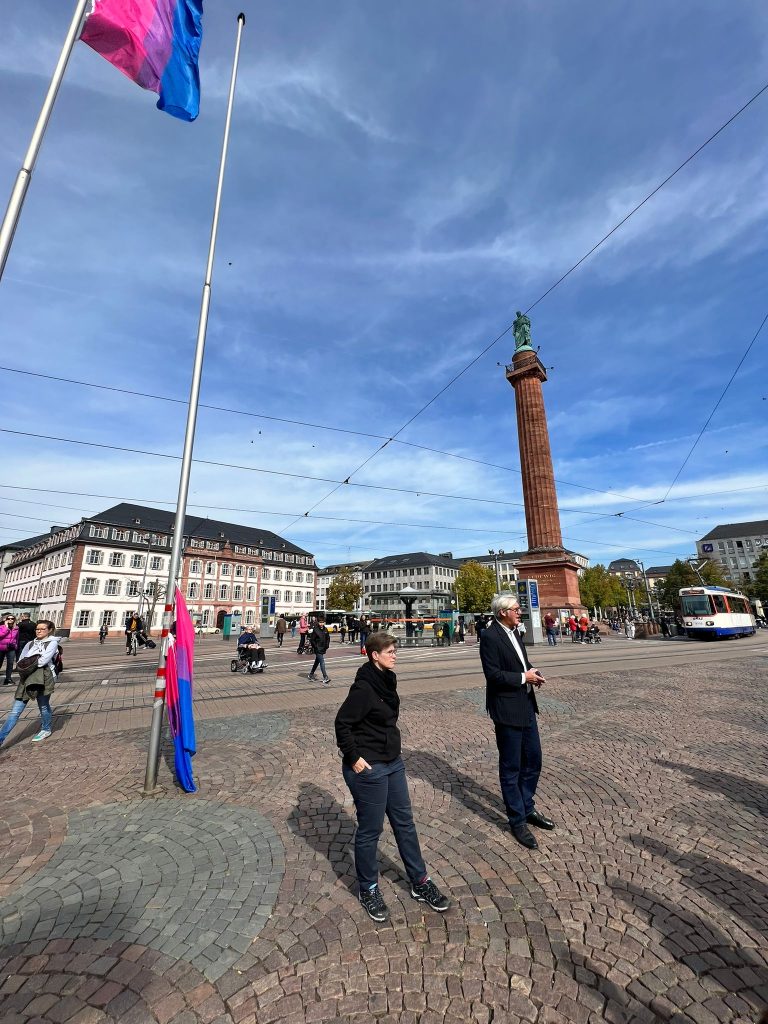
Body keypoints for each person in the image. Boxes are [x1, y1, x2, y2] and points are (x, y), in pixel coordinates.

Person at [334, 631, 450, 922]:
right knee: (370, 831)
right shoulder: (363, 688)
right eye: (389, 651)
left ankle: (419, 881)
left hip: (393, 762)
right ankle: (368, 888)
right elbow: (342, 723)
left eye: (394, 650)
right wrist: (354, 758)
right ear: (374, 655)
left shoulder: (387, 679)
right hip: (369, 767)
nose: (394, 654)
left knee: (405, 823)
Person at [479, 594, 554, 851]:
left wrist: (533, 672)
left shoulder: (515, 633)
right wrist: (525, 677)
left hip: (526, 706)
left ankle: (526, 805)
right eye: (516, 609)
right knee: (511, 766)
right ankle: (517, 819)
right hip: (507, 710)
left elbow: (523, 663)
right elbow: (494, 675)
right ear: (502, 613)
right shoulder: (490, 637)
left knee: (533, 760)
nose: (520, 612)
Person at [0, 619, 59, 746]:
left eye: (42, 629)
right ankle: (0, 739)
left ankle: (46, 729)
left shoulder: (52, 643)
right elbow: (21, 661)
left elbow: (43, 661)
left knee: (43, 705)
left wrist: (28, 662)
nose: (39, 631)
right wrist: (29, 662)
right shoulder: (30, 644)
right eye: (37, 629)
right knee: (15, 711)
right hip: (27, 678)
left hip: (44, 678)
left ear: (49, 630)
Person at [307, 614, 331, 684]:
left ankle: (311, 674)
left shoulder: (325, 629)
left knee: (317, 661)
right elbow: (312, 640)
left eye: (322, 622)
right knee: (322, 662)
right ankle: (325, 677)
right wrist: (315, 647)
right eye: (320, 622)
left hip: (323, 648)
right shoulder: (315, 629)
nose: (321, 624)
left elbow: (328, 638)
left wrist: (327, 645)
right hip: (317, 649)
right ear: (318, 622)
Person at [0, 613, 19, 685]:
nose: (10, 620)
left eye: (12, 618)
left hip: (11, 648)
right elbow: (1, 635)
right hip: (1, 647)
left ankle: (8, 679)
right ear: (6, 620)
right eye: (9, 619)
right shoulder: (1, 627)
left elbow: (17, 638)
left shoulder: (16, 628)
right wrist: (6, 627)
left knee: (10, 664)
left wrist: (16, 645)